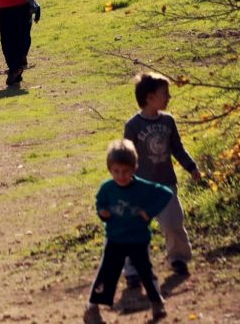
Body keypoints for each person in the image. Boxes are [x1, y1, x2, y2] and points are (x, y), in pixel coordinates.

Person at [121, 73, 203, 285]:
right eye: (165, 94)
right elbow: (127, 156)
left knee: (173, 223)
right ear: (149, 98)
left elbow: (178, 148)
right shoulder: (133, 126)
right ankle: (133, 269)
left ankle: (178, 258)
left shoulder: (168, 122)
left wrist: (191, 166)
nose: (169, 97)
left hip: (166, 184)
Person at [84, 140, 171, 324]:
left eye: (125, 171)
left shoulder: (143, 187)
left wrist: (149, 212)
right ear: (110, 170)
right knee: (107, 274)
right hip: (115, 239)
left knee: (146, 273)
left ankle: (157, 303)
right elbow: (100, 202)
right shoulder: (108, 188)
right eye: (116, 171)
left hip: (138, 239)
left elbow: (165, 193)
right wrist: (103, 213)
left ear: (134, 168)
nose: (121, 176)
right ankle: (92, 310)